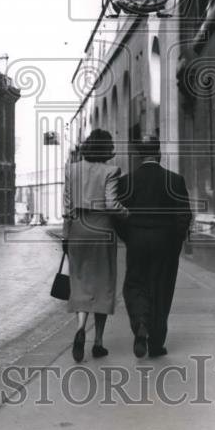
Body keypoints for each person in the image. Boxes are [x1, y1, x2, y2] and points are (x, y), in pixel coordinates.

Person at [117, 136, 192, 358]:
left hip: (137, 239)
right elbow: (184, 215)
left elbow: (116, 216)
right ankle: (156, 343)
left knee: (135, 284)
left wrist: (129, 236)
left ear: (140, 155)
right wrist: (175, 241)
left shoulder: (126, 182)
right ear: (158, 154)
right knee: (161, 288)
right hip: (165, 241)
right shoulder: (175, 180)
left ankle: (140, 322)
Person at [62, 129, 127, 362]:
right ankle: (98, 342)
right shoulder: (111, 171)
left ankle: (80, 328)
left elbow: (67, 207)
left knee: (79, 280)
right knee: (104, 283)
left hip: (78, 228)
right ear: (106, 149)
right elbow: (111, 204)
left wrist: (66, 235)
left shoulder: (72, 169)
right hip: (102, 229)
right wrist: (128, 213)